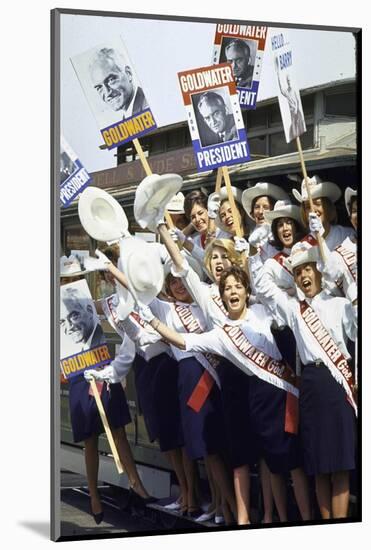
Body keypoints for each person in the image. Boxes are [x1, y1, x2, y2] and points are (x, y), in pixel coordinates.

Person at [139, 262, 311, 525]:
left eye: (238, 286)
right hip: (257, 396)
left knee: (294, 462)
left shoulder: (262, 312)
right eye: (227, 288)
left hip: (282, 392)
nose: (233, 291)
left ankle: (307, 521)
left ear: (245, 292)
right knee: (273, 462)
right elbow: (186, 341)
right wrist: (151, 321)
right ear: (221, 297)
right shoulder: (221, 334)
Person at [248, 242, 357, 519]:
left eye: (308, 268)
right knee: (319, 464)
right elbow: (265, 290)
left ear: (319, 271)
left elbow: (357, 334)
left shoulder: (341, 304)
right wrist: (252, 257)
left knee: (341, 463)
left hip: (337, 384)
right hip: (311, 383)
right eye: (297, 272)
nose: (303, 276)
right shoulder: (295, 310)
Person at [89, 47, 148, 118]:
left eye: (111, 80)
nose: (107, 93)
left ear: (128, 73)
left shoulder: (146, 106)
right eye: (99, 87)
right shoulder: (127, 116)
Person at [60, 286, 105, 350]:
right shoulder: (82, 347)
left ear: (90, 311)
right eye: (61, 322)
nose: (69, 327)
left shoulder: (101, 344)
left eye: (74, 315)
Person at [275, 57, 305, 141]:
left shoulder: (294, 91)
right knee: (294, 126)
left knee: (299, 124)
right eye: (287, 80)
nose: (289, 81)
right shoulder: (287, 92)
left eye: (289, 80)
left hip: (297, 111)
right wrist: (278, 75)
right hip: (292, 112)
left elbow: (298, 101)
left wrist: (296, 108)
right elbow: (281, 89)